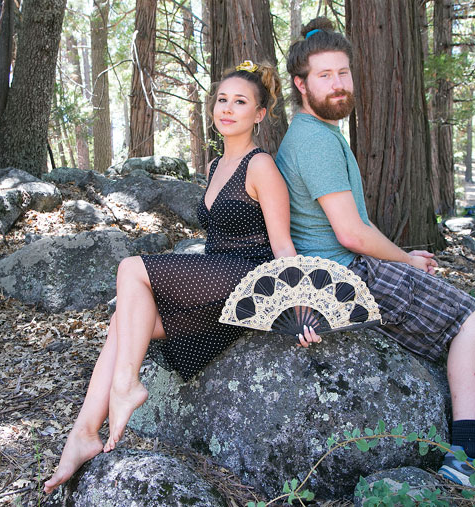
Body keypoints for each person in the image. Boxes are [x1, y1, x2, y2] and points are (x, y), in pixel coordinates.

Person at [275, 17, 475, 501]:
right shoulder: (313, 140)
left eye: (343, 73)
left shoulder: (320, 132)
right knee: (474, 317)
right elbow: (352, 235)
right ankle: (471, 456)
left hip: (344, 267)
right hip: (344, 278)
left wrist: (402, 255)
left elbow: (359, 224)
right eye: (325, 75)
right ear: (300, 83)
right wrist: (407, 264)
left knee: (453, 306)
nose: (337, 84)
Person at [43, 61, 320, 494]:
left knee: (131, 268)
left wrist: (302, 307)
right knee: (126, 322)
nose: (227, 109)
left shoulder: (261, 164)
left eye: (240, 102)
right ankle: (83, 432)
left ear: (260, 114)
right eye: (222, 100)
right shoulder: (214, 165)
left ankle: (127, 385)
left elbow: (282, 246)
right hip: (215, 283)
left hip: (247, 278)